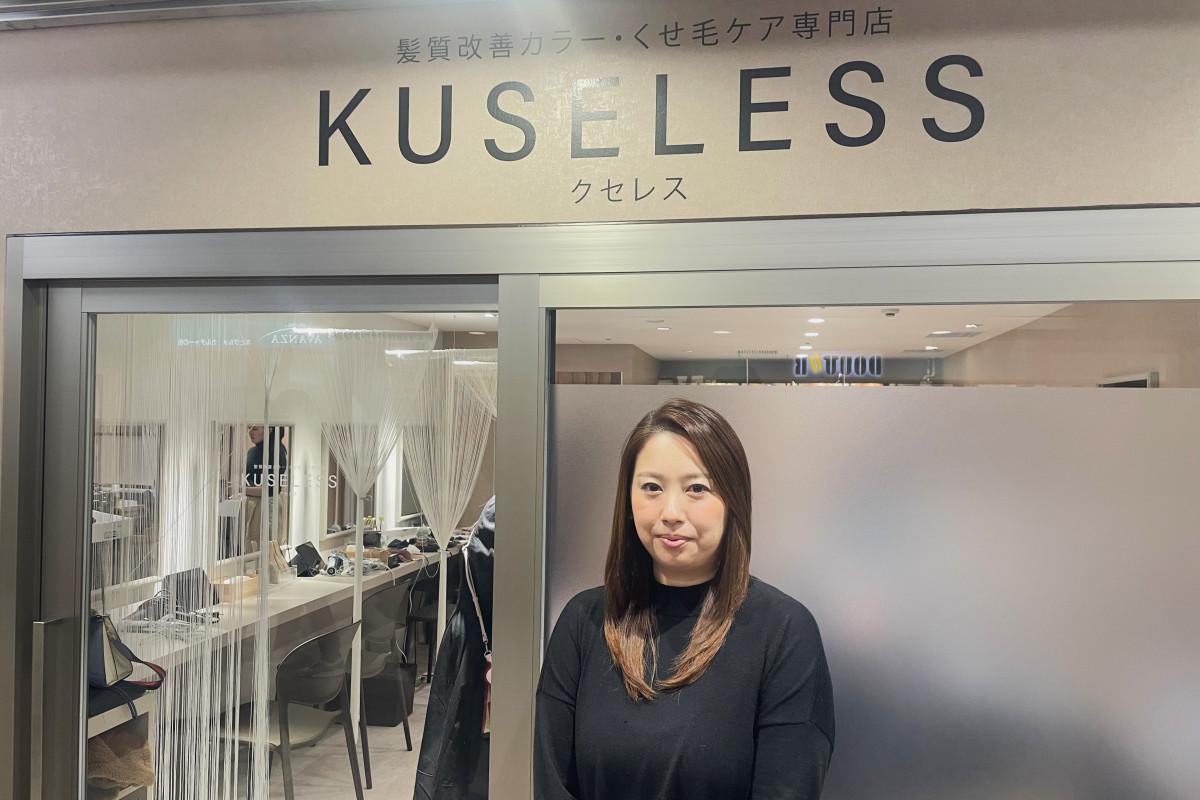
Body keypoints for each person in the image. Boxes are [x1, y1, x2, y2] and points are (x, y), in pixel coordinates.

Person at [535, 398, 835, 800]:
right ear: (628, 502)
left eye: (697, 488)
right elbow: (552, 783)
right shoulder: (584, 620)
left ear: (733, 500)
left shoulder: (784, 631)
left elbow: (787, 788)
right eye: (652, 488)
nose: (671, 512)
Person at [242, 424, 288, 553]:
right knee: (249, 549)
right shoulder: (251, 452)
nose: (250, 432)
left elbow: (269, 489)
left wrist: (241, 489)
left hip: (268, 506)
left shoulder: (277, 452)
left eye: (255, 429)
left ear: (269, 429)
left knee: (268, 550)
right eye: (249, 428)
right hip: (251, 504)